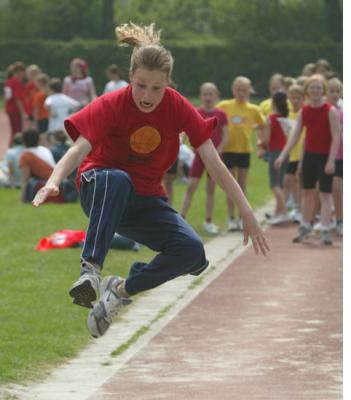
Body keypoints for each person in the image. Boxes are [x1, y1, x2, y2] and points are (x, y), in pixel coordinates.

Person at [32, 22, 269, 339]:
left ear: (168, 83)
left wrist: (247, 211)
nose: (147, 96)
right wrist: (54, 180)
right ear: (131, 77)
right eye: (141, 85)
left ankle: (119, 290)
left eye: (157, 88)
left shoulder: (176, 106)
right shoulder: (112, 103)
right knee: (117, 179)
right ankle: (90, 270)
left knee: (192, 251)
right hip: (100, 187)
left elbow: (213, 162)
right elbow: (79, 148)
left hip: (144, 200)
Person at [275, 74, 341, 245]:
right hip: (310, 155)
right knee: (307, 192)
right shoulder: (304, 111)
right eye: (312, 88)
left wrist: (331, 160)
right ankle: (305, 225)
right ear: (307, 91)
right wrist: (283, 155)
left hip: (325, 156)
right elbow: (295, 135)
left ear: (323, 91)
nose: (315, 91)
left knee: (325, 194)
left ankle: (325, 228)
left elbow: (336, 136)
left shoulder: (330, 110)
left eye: (319, 88)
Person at [217, 76, 266, 232]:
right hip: (229, 150)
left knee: (242, 186)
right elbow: (211, 116)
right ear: (233, 90)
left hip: (244, 151)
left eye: (244, 90)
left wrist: (262, 143)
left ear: (249, 91)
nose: (241, 92)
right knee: (231, 186)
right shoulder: (224, 106)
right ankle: (231, 218)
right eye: (238, 89)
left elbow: (265, 124)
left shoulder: (254, 109)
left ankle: (242, 218)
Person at [180, 82, 228, 234]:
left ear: (216, 96)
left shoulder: (221, 114)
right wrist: (183, 141)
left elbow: (226, 136)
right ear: (200, 96)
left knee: (210, 189)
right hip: (199, 157)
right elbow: (185, 131)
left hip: (214, 159)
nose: (208, 97)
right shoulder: (196, 111)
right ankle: (181, 219)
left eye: (211, 94)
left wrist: (218, 152)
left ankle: (208, 221)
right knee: (190, 187)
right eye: (205, 94)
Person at [261, 92, 289, 225]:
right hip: (285, 152)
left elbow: (266, 139)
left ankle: (284, 212)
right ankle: (279, 212)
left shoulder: (270, 118)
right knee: (281, 184)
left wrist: (259, 143)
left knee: (274, 185)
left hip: (275, 152)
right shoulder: (284, 118)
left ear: (272, 103)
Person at [283, 84, 306, 223]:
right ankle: (294, 208)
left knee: (298, 182)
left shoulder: (303, 113)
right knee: (288, 180)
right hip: (292, 153)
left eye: (298, 98)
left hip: (301, 153)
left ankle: (300, 210)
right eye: (292, 98)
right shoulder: (289, 114)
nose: (295, 101)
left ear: (303, 99)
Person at [19, 129, 56, 202]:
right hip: (55, 180)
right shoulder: (45, 149)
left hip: (46, 181)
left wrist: (22, 198)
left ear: (24, 141)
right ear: (38, 139)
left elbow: (25, 178)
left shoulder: (25, 155)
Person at [326, 78, 343, 236]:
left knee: (338, 188)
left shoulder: (343, 109)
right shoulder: (324, 109)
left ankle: (340, 220)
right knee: (323, 190)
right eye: (331, 91)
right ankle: (324, 219)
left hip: (341, 155)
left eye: (338, 91)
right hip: (325, 153)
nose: (335, 94)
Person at [45, 77, 80, 142]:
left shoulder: (50, 98)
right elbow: (77, 105)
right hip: (65, 128)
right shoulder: (65, 98)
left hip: (54, 128)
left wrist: (52, 112)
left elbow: (48, 105)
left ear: (51, 89)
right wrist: (70, 114)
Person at [3, 62, 26, 145]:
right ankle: (15, 147)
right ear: (20, 71)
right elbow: (17, 98)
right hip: (15, 109)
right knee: (17, 130)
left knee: (14, 130)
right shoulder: (17, 82)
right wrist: (22, 112)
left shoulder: (8, 81)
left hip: (9, 108)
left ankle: (11, 147)